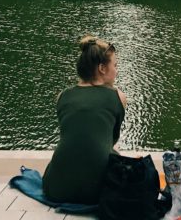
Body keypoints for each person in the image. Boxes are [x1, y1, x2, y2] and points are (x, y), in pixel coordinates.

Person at [42, 36, 128, 204]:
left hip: (56, 188)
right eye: (115, 65)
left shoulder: (63, 96)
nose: (116, 71)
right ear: (102, 68)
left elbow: (74, 136)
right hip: (98, 192)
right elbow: (111, 140)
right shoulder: (118, 97)